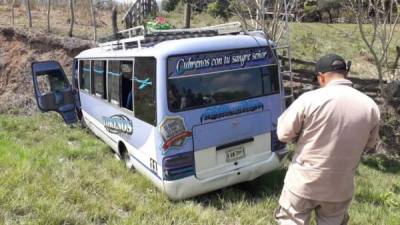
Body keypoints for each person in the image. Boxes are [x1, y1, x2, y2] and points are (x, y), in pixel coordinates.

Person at [275, 54, 380, 225]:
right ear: (345, 74)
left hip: (304, 182)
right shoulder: (370, 106)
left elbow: (283, 134)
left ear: (321, 77)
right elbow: (370, 144)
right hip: (340, 186)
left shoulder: (309, 99)